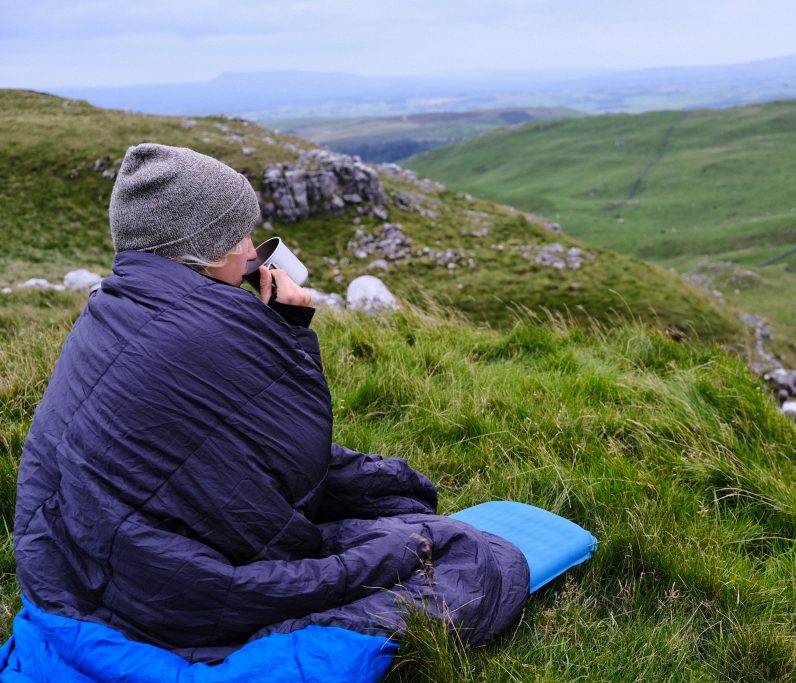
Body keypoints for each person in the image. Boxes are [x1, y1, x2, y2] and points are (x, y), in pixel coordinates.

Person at [6, 144, 529, 674]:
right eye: (243, 235)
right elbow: (296, 462)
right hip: (153, 592)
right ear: (205, 247)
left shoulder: (115, 303)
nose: (255, 250)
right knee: (467, 555)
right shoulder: (209, 323)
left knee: (388, 492)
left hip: (66, 565)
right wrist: (286, 331)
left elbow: (228, 440)